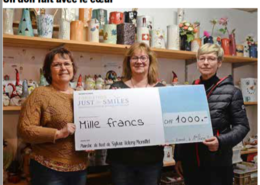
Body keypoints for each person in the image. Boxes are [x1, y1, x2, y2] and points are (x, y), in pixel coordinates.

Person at [174, 43, 250, 185]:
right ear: (197, 62)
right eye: (202, 58)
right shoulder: (189, 91)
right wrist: (178, 156)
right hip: (191, 163)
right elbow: (182, 125)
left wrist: (220, 142)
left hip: (217, 164)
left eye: (211, 58)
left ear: (219, 63)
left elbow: (242, 126)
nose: (206, 63)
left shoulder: (232, 92)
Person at [18, 48, 88, 185]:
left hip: (80, 169)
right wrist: (58, 133)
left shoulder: (83, 96)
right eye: (57, 64)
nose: (63, 68)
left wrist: (93, 143)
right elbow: (25, 130)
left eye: (67, 63)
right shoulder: (40, 94)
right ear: (48, 71)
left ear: (73, 68)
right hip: (49, 171)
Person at [107, 42, 165, 185]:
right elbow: (107, 121)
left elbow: (167, 120)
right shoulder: (116, 88)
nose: (139, 61)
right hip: (121, 160)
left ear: (150, 61)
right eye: (134, 58)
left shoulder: (161, 89)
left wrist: (167, 134)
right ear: (128, 62)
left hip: (151, 160)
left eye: (143, 57)